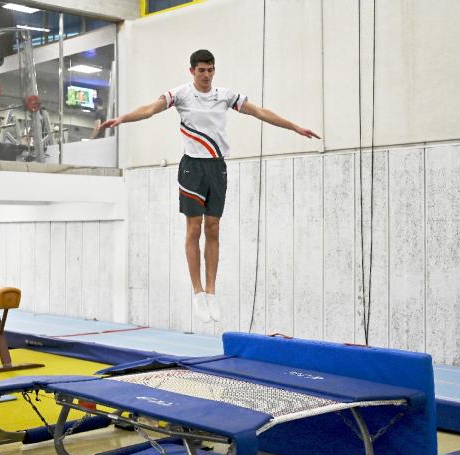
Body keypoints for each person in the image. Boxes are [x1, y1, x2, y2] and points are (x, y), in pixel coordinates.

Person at [100, 49, 320, 324]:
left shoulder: (225, 96)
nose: (206, 75)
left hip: (217, 167)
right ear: (192, 71)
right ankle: (197, 292)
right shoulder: (180, 94)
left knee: (213, 228)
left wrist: (295, 127)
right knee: (194, 227)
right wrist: (122, 119)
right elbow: (149, 109)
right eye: (201, 70)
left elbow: (261, 112)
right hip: (192, 167)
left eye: (210, 70)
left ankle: (212, 291)